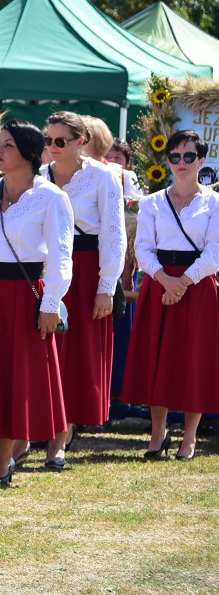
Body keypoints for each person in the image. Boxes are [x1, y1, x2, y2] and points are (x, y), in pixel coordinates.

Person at [0, 119, 73, 486]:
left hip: (22, 296)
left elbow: (61, 254)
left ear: (30, 154)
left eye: (7, 145)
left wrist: (51, 303)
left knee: (14, 377)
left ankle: (4, 457)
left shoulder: (52, 197)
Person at [123, 130, 219, 460]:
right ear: (168, 161)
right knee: (155, 357)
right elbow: (143, 249)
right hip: (159, 283)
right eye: (175, 157)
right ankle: (157, 433)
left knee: (195, 360)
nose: (181, 162)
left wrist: (182, 284)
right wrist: (166, 281)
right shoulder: (152, 203)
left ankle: (189, 436)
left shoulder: (215, 202)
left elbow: (214, 253)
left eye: (188, 156)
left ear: (201, 161)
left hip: (198, 286)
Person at [38, 112, 124, 469]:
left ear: (80, 142)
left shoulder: (102, 177)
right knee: (44, 349)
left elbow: (113, 234)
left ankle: (61, 436)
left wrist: (106, 286)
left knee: (76, 354)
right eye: (49, 141)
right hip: (44, 268)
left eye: (60, 141)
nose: (52, 147)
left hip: (86, 270)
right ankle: (35, 428)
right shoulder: (38, 176)